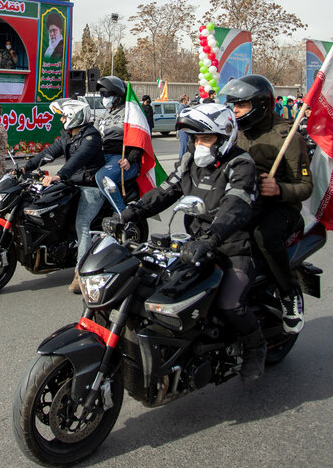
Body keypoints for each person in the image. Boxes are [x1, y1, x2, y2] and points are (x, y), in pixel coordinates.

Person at [119, 103, 266, 382]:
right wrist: (131, 212)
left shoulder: (241, 164)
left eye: (206, 139)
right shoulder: (189, 161)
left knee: (230, 304)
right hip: (193, 244)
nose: (199, 145)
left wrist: (211, 239)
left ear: (224, 137)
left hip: (231, 246)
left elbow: (234, 207)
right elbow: (166, 191)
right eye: (196, 139)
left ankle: (255, 346)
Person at [220, 74, 313, 335]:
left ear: (260, 105)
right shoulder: (234, 132)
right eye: (233, 105)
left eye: (241, 105)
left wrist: (278, 188)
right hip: (246, 200)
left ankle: (288, 292)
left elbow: (305, 187)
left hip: (280, 208)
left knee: (263, 235)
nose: (235, 111)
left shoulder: (286, 136)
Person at [20, 98, 104, 293]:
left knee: (82, 224)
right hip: (71, 183)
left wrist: (60, 175)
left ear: (75, 117)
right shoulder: (68, 136)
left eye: (65, 116)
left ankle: (80, 273)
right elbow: (48, 153)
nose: (62, 119)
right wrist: (26, 167)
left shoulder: (91, 137)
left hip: (90, 186)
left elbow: (78, 159)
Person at [92, 76, 144, 213]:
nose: (104, 98)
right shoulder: (102, 116)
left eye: (107, 95)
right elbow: (93, 137)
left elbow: (140, 139)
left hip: (122, 159)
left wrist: (130, 159)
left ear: (118, 96)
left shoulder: (130, 113)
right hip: (103, 156)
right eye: (102, 95)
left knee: (103, 178)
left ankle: (122, 213)